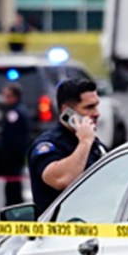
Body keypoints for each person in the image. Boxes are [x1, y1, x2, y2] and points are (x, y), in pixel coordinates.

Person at [26, 75, 103, 212]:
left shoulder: (96, 145)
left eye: (96, 106)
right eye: (89, 108)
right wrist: (84, 143)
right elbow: (62, 180)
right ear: (67, 111)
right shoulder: (48, 145)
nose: (96, 113)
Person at [0, 83, 30, 210]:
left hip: (13, 154)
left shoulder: (14, 113)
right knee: (12, 181)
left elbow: (13, 136)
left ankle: (13, 205)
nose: (5, 99)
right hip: (14, 153)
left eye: (8, 96)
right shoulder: (16, 111)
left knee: (13, 182)